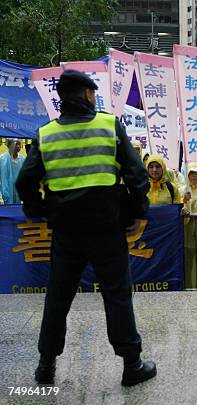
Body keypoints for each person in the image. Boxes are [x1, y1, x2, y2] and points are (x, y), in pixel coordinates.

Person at [15, 70, 155, 386]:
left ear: (62, 98)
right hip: (106, 229)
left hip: (66, 233)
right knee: (117, 295)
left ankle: (45, 367)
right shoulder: (108, 125)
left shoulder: (46, 134)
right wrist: (135, 212)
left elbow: (25, 181)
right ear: (88, 95)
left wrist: (39, 210)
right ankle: (132, 365)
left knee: (58, 298)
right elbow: (137, 176)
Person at [181, 162, 197, 288]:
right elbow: (177, 208)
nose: (195, 176)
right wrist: (184, 201)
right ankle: (187, 288)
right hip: (186, 233)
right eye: (192, 173)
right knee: (187, 263)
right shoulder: (182, 189)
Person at [0, 139, 25, 204]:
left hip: (19, 191)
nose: (19, 146)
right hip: (8, 191)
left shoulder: (22, 159)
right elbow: (3, 177)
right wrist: (4, 193)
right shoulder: (3, 159)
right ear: (9, 146)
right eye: (16, 144)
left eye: (19, 144)